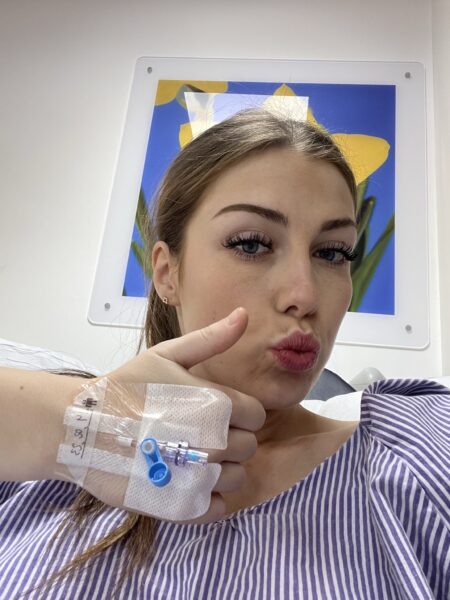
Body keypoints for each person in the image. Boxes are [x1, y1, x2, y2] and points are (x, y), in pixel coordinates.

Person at [0, 109, 448, 599]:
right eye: (252, 244)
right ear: (167, 273)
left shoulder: (412, 453)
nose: (305, 296)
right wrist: (84, 426)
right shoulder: (42, 461)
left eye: (332, 253)